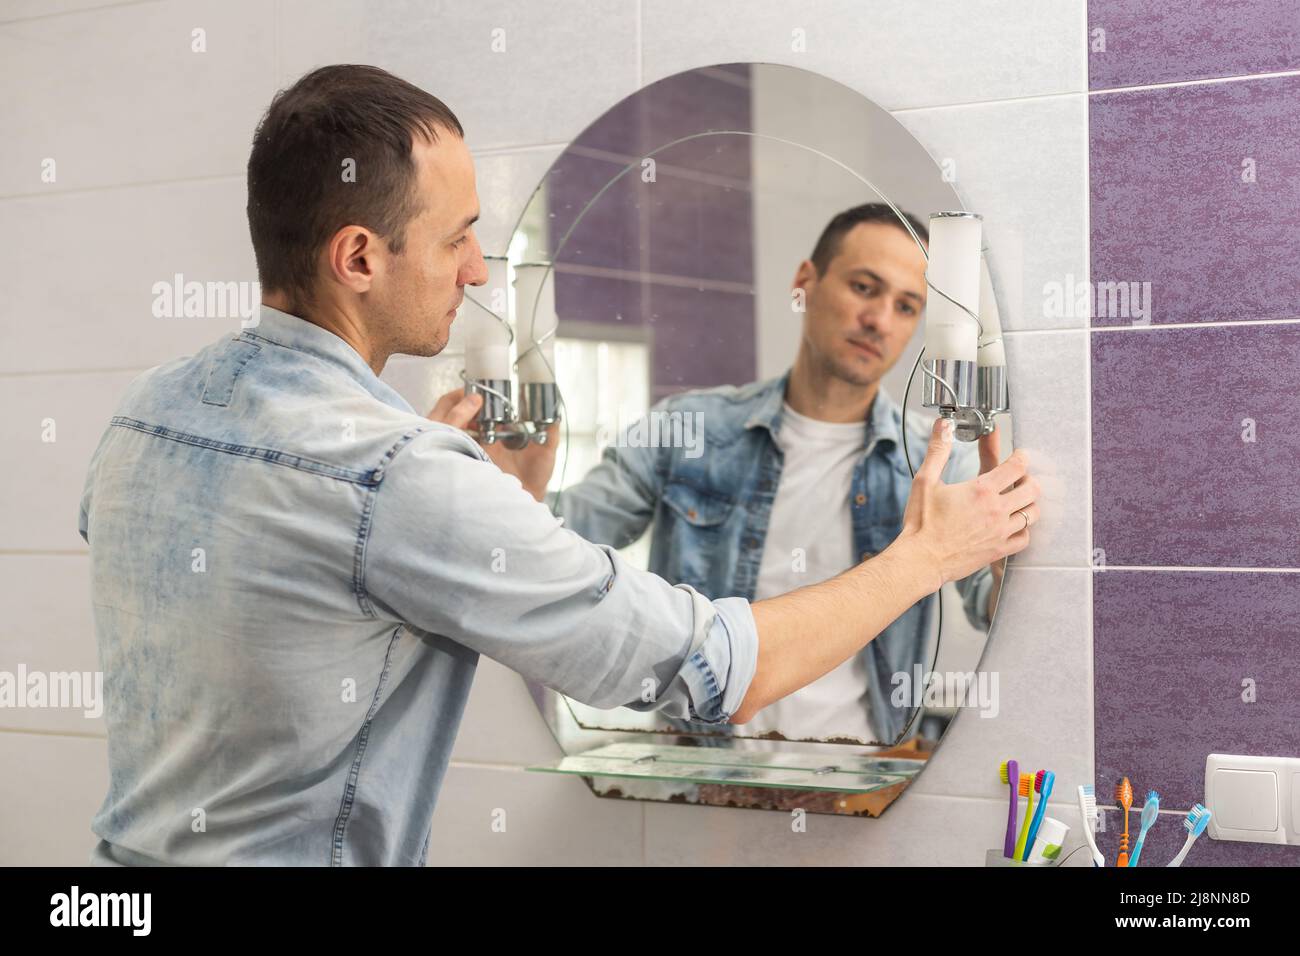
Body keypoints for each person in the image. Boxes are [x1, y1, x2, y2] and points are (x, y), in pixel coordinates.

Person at [78, 65, 1039, 866]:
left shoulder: (143, 414)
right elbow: (707, 667)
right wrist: (922, 558)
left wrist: (489, 506)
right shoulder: (405, 477)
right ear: (360, 257)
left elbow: (298, 595)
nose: (479, 271)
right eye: (457, 237)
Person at [556, 204, 1005, 744]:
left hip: (866, 791)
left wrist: (1006, 553)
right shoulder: (688, 430)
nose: (880, 320)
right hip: (703, 785)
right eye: (864, 287)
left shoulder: (935, 462)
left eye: (907, 306)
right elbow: (559, 550)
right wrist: (516, 482)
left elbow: (995, 608)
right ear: (805, 283)